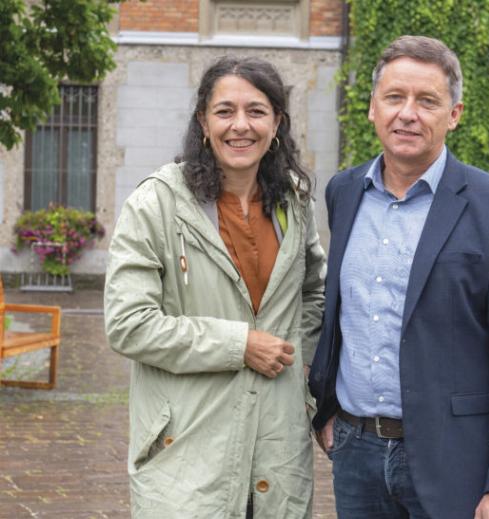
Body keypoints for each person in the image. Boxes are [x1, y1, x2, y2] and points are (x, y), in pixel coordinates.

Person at [309, 35, 489, 519]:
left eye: (427, 101)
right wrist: (327, 406)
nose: (408, 113)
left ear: (454, 114)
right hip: (354, 454)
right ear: (373, 108)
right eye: (394, 97)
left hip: (453, 460)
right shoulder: (344, 192)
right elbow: (339, 312)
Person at [104, 56, 326, 518]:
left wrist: (298, 377)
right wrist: (239, 344)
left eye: (257, 111)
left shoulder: (293, 201)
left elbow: (312, 294)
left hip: (277, 452)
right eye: (225, 111)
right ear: (203, 122)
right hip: (186, 451)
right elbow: (128, 325)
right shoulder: (156, 204)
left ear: (277, 123)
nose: (240, 126)